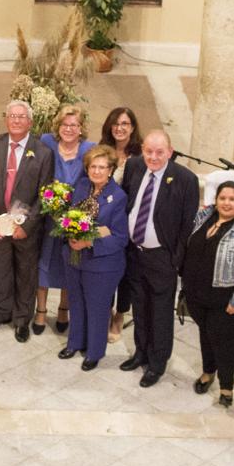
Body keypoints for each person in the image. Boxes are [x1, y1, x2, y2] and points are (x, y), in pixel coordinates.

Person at [120, 130, 198, 388]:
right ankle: (140, 352)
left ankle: (157, 362)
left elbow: (187, 225)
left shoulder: (186, 179)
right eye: (149, 151)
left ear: (170, 150)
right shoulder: (133, 166)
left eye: (159, 152)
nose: (153, 157)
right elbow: (127, 203)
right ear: (142, 149)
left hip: (162, 257)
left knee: (161, 313)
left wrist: (176, 260)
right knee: (140, 307)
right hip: (135, 252)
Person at [0, 100, 54, 342]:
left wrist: (26, 226)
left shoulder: (42, 152)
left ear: (30, 122)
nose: (16, 120)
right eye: (12, 115)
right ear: (6, 119)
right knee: (1, 270)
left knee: (25, 272)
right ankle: (2, 311)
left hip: (25, 229)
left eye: (22, 116)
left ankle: (22, 319)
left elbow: (46, 195)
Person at [183, 181, 234, 407]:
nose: (226, 203)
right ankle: (208, 372)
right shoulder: (203, 217)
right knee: (206, 333)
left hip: (226, 298)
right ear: (215, 200)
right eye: (222, 198)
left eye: (232, 199)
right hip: (197, 293)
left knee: (223, 341)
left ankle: (226, 386)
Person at [57, 145, 128, 370]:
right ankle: (75, 342)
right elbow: (70, 216)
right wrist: (69, 233)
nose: (96, 171)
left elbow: (120, 237)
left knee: (97, 308)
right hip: (75, 257)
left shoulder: (117, 197)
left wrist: (89, 241)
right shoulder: (82, 187)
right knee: (76, 302)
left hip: (102, 264)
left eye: (102, 167)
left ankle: (94, 352)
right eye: (93, 167)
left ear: (111, 170)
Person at [35, 105, 96, 335]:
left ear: (81, 129)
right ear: (57, 127)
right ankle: (40, 310)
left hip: (73, 220)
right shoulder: (47, 142)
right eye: (64, 124)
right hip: (48, 217)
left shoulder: (89, 149)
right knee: (43, 263)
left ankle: (63, 309)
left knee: (69, 264)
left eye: (74, 125)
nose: (69, 129)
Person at [99, 106, 142, 341]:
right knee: (106, 267)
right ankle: (106, 310)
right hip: (106, 220)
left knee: (126, 270)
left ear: (133, 127)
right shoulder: (102, 151)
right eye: (116, 123)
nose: (120, 128)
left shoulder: (141, 156)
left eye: (125, 123)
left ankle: (121, 314)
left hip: (130, 221)